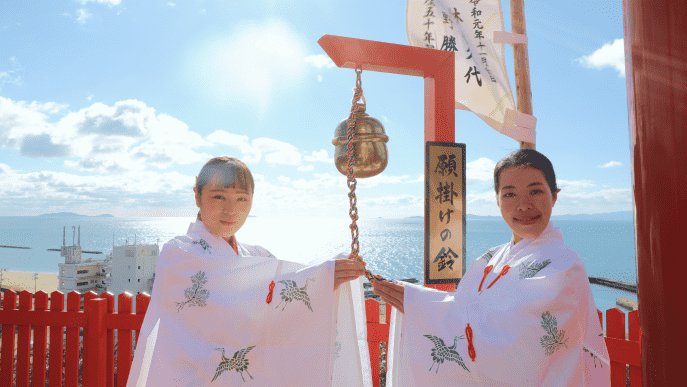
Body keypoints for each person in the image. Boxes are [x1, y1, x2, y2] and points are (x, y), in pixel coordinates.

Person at [372, 149, 610, 386]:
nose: (523, 205)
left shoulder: (562, 265)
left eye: (535, 191)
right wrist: (417, 301)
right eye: (509, 194)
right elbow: (467, 307)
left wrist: (422, 308)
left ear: (554, 196)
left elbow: (514, 339)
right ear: (497, 201)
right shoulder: (491, 258)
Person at [127, 156, 371, 386]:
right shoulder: (178, 254)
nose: (231, 210)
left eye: (242, 199)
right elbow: (223, 306)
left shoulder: (258, 256)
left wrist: (326, 280)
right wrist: (317, 278)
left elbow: (278, 313)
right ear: (197, 196)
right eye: (219, 197)